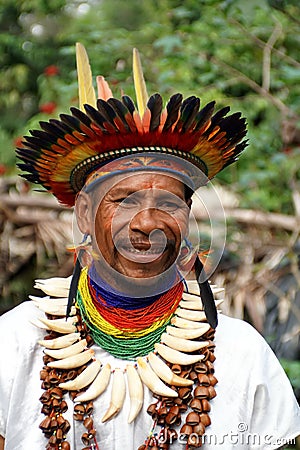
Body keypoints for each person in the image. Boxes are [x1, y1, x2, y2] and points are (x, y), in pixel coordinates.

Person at [0, 44, 299, 450]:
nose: (146, 223)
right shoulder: (17, 342)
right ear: (85, 213)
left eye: (169, 203)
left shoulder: (241, 354)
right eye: (123, 200)